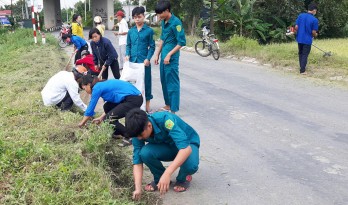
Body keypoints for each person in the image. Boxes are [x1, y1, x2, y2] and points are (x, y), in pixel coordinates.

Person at [125, 108, 200, 200]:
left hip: (187, 144)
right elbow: (137, 161)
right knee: (144, 153)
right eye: (137, 136)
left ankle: (182, 179)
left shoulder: (166, 120)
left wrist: (167, 173)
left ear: (149, 125)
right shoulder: (138, 131)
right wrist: (138, 188)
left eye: (141, 135)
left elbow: (186, 149)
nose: (139, 138)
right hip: (168, 146)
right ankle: (159, 178)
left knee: (191, 166)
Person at [78, 74, 143, 139]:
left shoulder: (97, 88)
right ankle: (116, 132)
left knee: (108, 119)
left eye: (84, 88)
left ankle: (130, 136)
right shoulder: (101, 84)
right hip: (130, 98)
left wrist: (81, 124)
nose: (85, 91)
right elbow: (110, 108)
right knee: (107, 106)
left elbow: (90, 109)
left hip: (133, 100)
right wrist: (101, 118)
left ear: (88, 84)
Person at [154, 1, 186, 114]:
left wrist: (169, 54)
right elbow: (162, 39)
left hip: (171, 59)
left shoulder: (176, 23)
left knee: (172, 82)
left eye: (160, 14)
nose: (159, 16)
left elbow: (181, 42)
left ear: (167, 11)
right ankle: (168, 104)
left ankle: (174, 109)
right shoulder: (164, 22)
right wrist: (157, 53)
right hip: (164, 58)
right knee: (164, 81)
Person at [126, 6, 155, 113]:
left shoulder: (149, 31)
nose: (137, 19)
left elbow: (152, 46)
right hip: (133, 62)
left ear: (143, 16)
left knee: (146, 83)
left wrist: (148, 58)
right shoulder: (131, 31)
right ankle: (133, 105)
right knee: (133, 83)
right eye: (135, 17)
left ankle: (147, 106)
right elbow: (128, 45)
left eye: (139, 17)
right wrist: (127, 54)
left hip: (144, 62)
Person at [295, 2, 319, 75]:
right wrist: (316, 35)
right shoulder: (314, 20)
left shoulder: (300, 16)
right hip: (307, 40)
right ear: (314, 10)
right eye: (316, 11)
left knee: (300, 53)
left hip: (299, 38)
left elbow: (296, 27)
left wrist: (298, 32)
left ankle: (301, 67)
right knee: (305, 54)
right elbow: (313, 32)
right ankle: (302, 70)